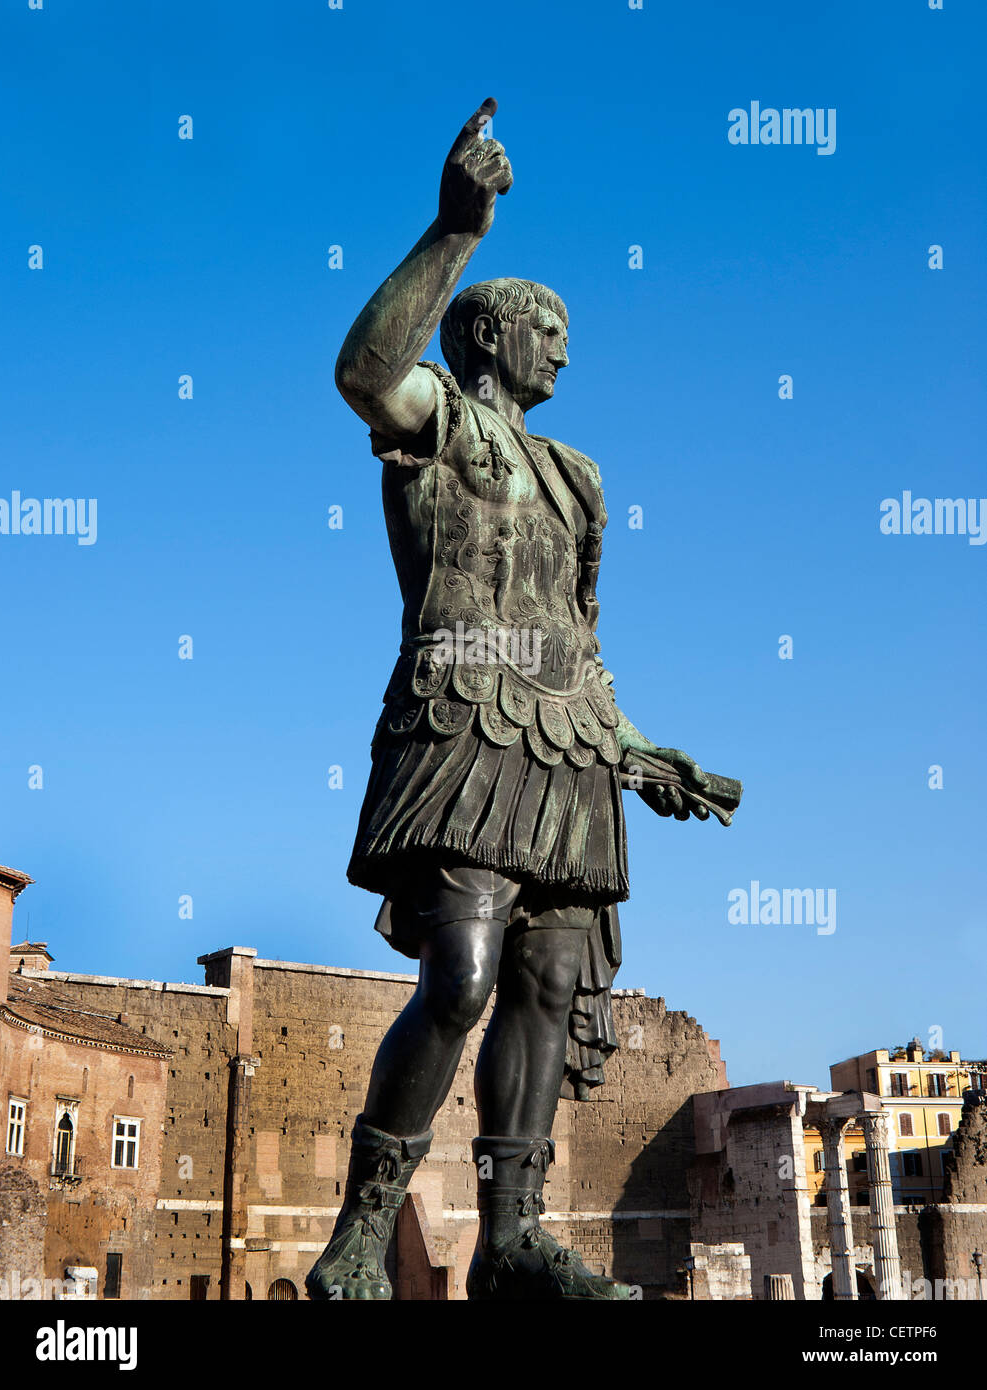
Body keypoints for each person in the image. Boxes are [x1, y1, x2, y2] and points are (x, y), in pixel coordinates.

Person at [307, 99, 720, 1301]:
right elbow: (362, 368)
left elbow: (583, 645)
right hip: (460, 718)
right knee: (463, 976)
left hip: (564, 742)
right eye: (550, 328)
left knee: (545, 982)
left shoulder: (579, 480)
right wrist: (453, 234)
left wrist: (643, 753)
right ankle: (357, 1232)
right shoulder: (440, 419)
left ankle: (513, 1233)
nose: (565, 350)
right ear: (489, 336)